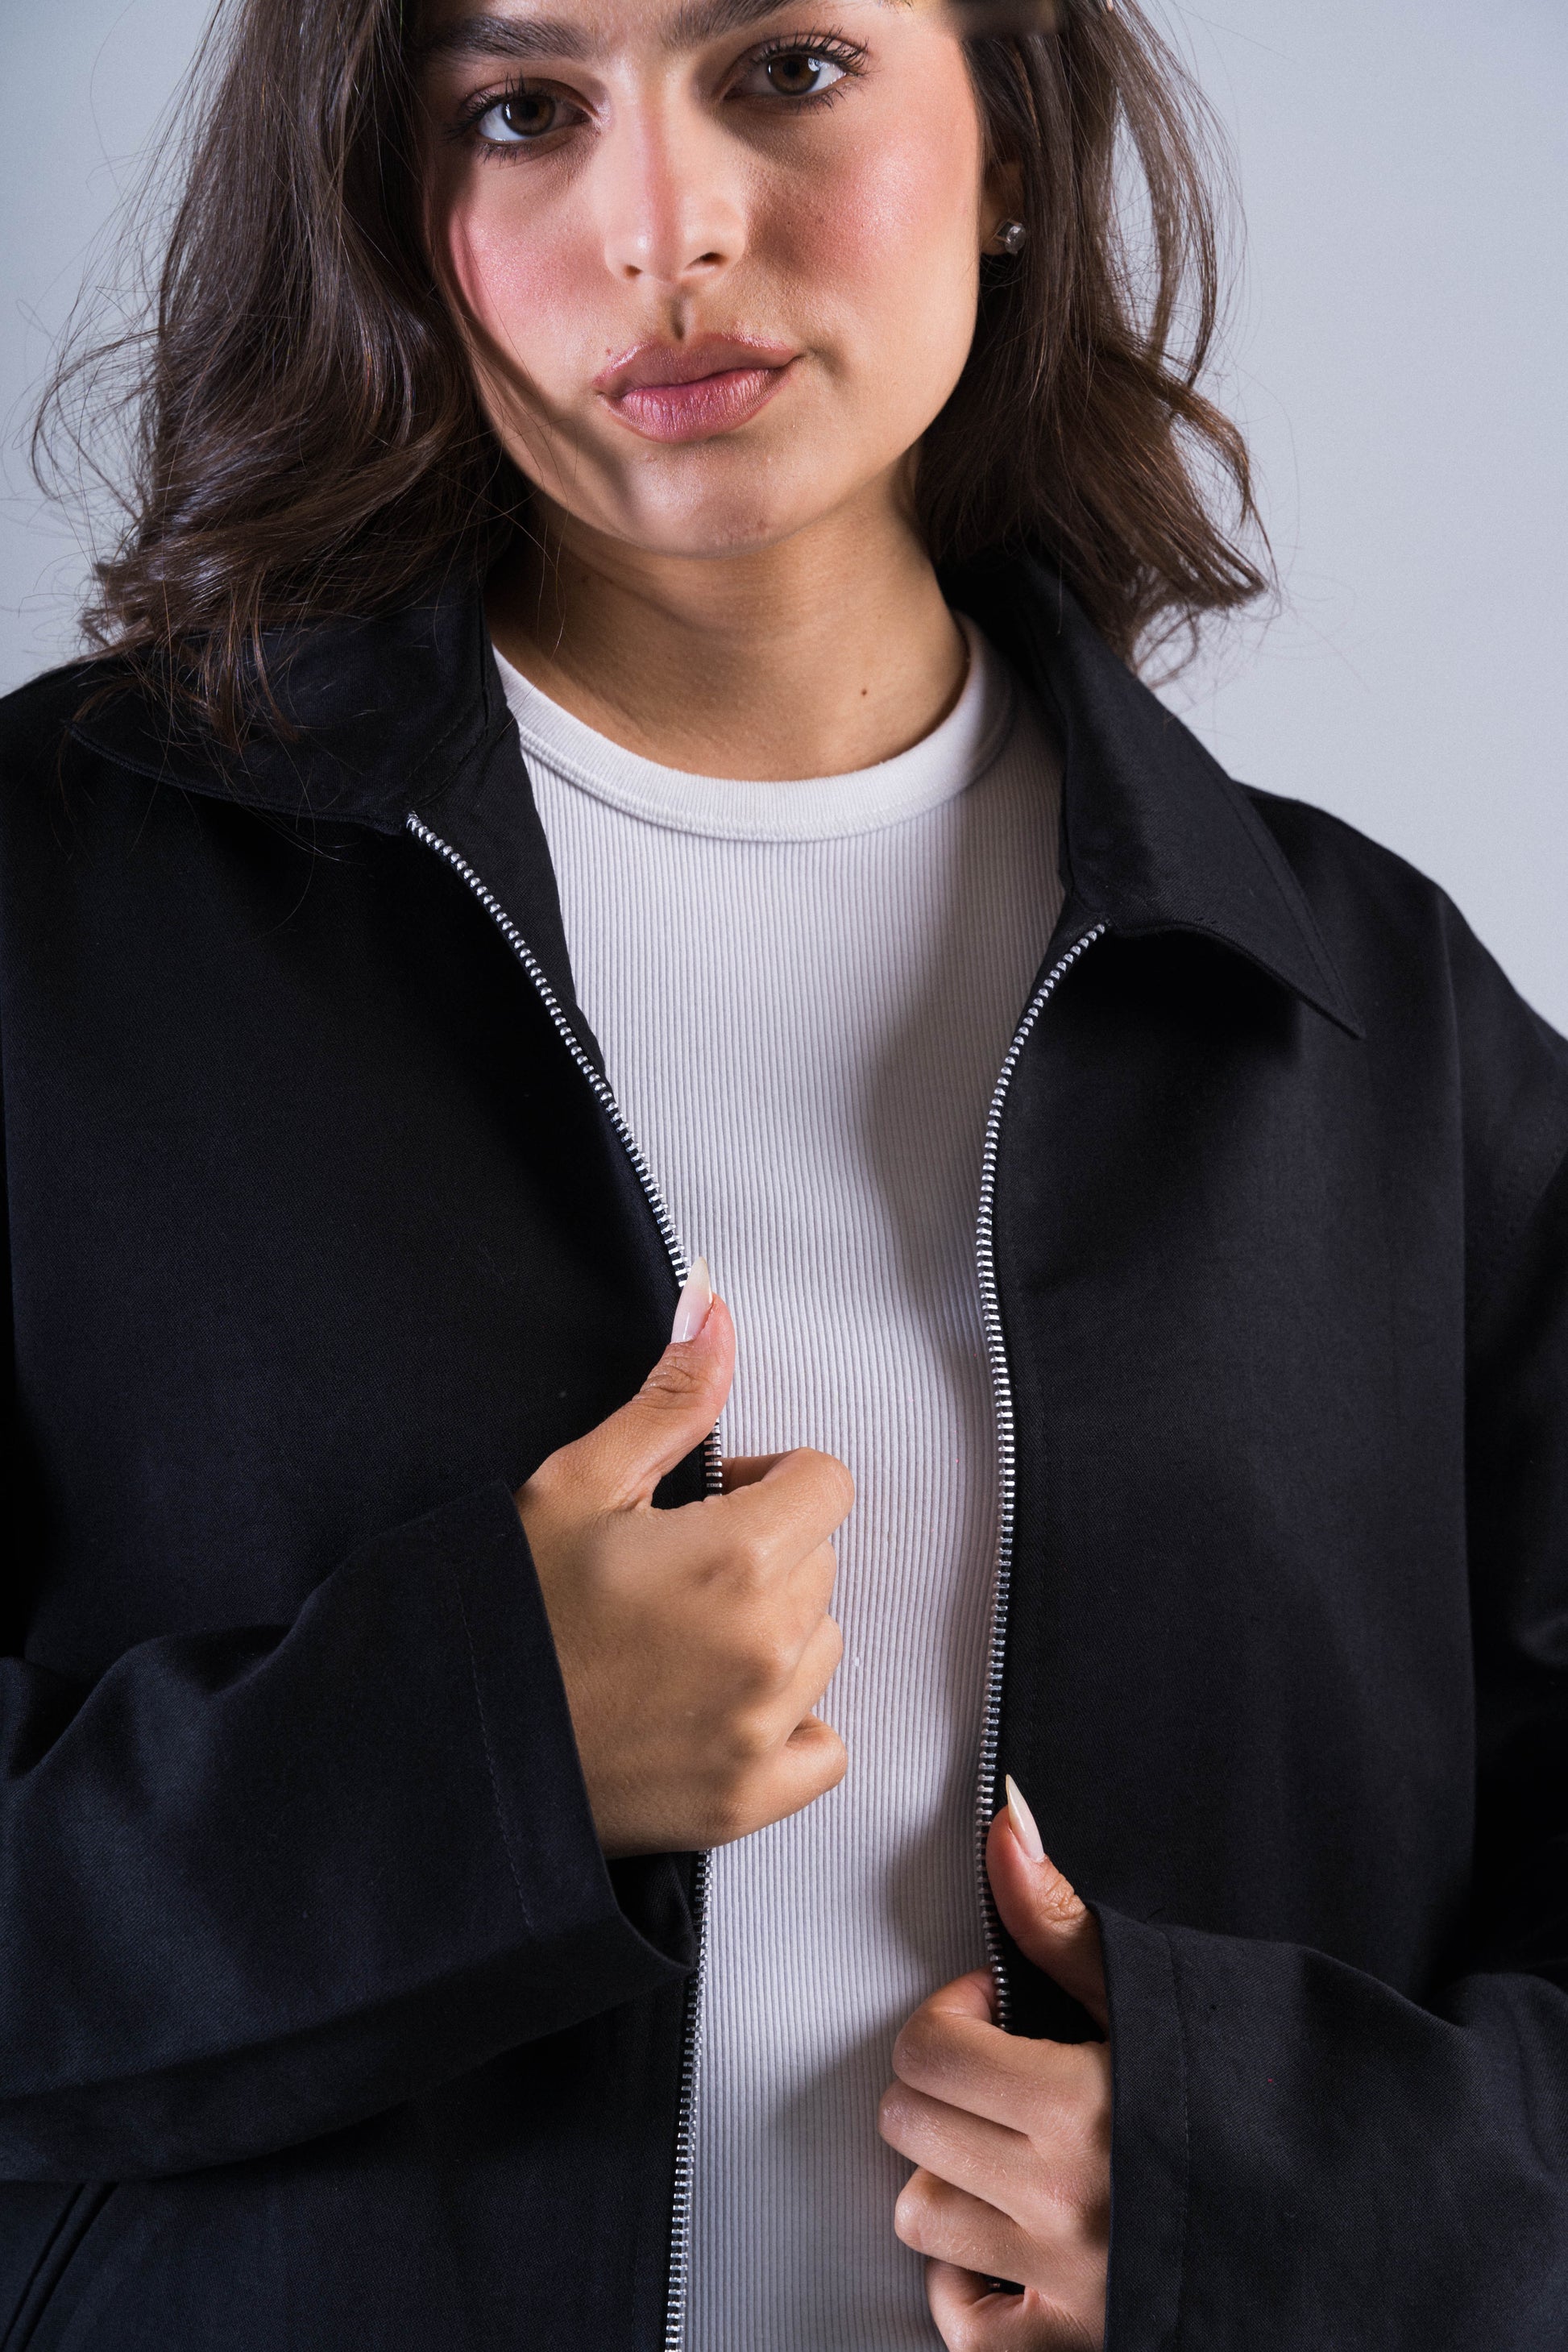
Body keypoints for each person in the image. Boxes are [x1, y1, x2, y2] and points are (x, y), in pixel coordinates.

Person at [3, 0, 1565, 2344]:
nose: (667, 229)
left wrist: (1271, 2197)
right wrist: (476, 1759)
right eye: (522, 112)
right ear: (387, 207)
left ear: (1009, 136)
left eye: (787, 69)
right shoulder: (57, 912)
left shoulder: (1368, 1025)